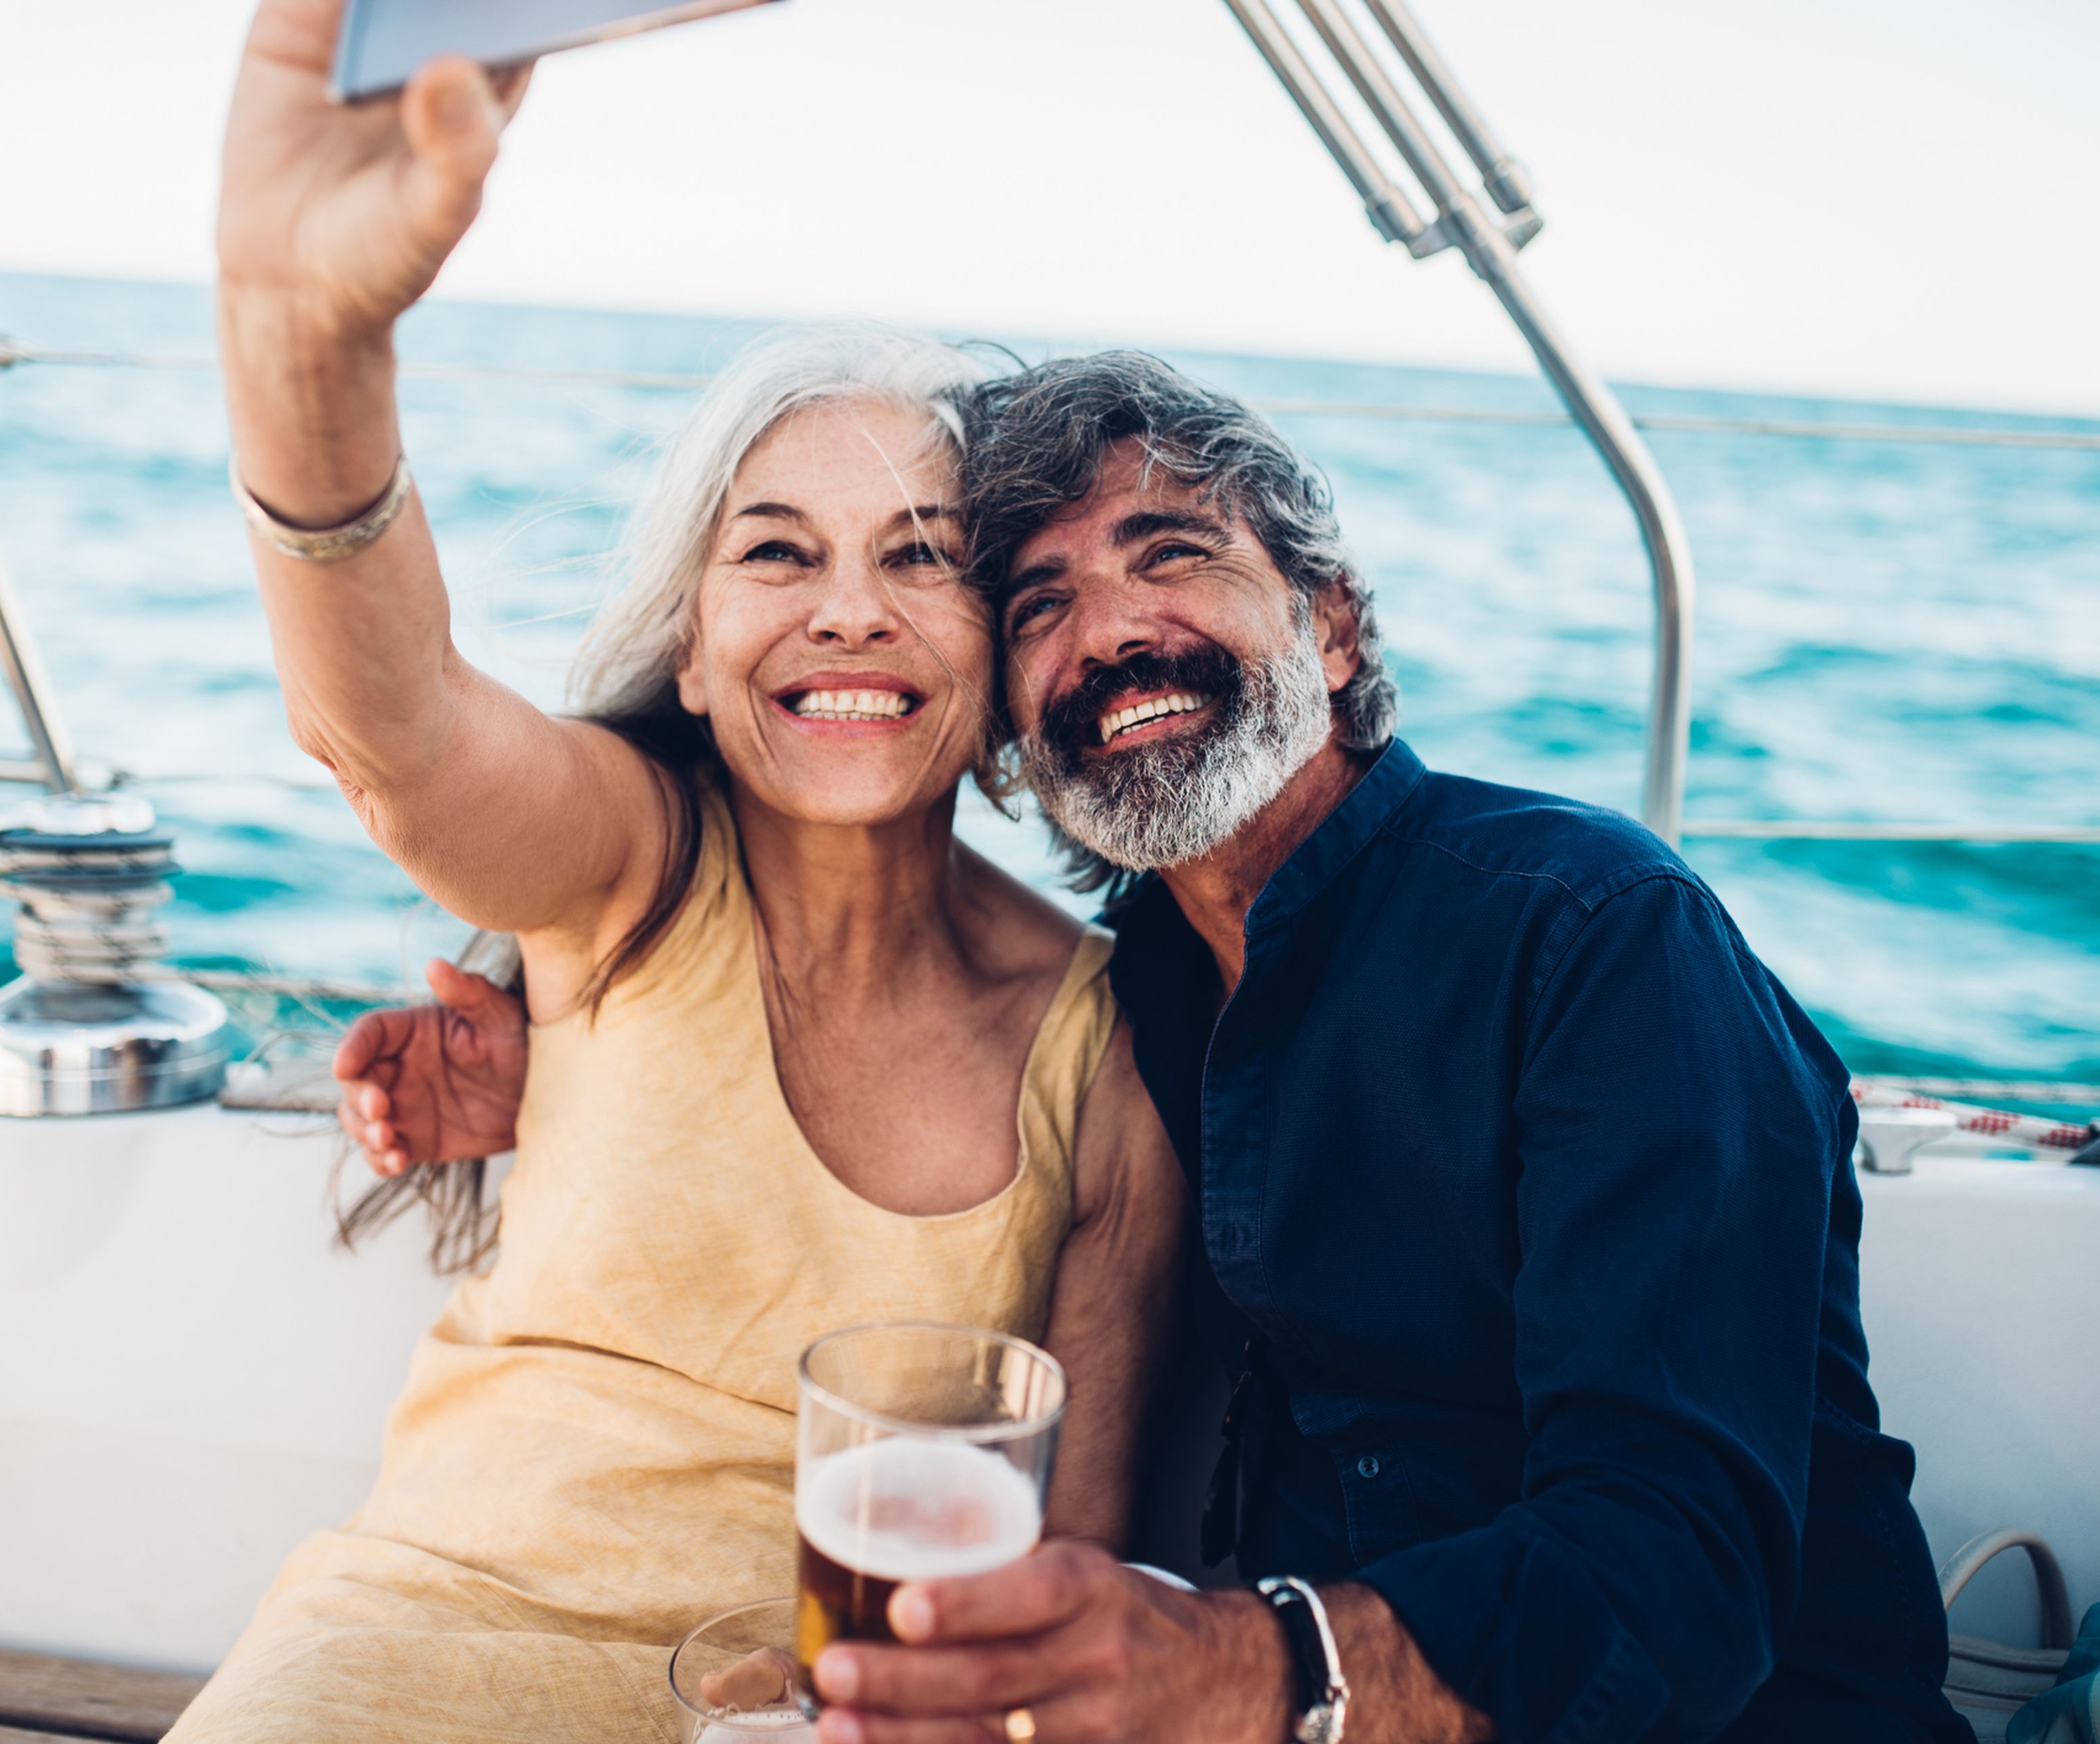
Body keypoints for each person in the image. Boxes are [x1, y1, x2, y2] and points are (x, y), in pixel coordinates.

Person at [350, 353, 1978, 1744]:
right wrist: (557, 1076)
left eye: (1172, 557)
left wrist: (1246, 1666)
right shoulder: (1136, 1004)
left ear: (1334, 629)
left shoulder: (1593, 935)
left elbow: (1682, 1573)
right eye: (1043, 601)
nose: (1111, 634)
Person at [173, 5, 1184, 1739]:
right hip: (405, 1657)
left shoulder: (1105, 1057)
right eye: (775, 552)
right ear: (700, 651)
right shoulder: (627, 862)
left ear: (1007, 652)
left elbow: (1065, 1598)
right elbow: (394, 732)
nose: (846, 610)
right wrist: (304, 341)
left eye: (921, 560)